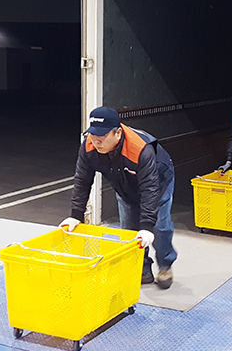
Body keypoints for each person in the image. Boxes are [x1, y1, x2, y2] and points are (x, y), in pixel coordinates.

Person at [61, 106, 178, 289]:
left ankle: (165, 265)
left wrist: (147, 226)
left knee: (159, 228)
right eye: (93, 135)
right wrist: (75, 215)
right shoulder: (89, 146)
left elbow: (150, 189)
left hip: (158, 182)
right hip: (125, 185)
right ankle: (142, 268)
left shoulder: (141, 150)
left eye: (102, 136)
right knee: (129, 231)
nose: (96, 141)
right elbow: (82, 180)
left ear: (117, 133)